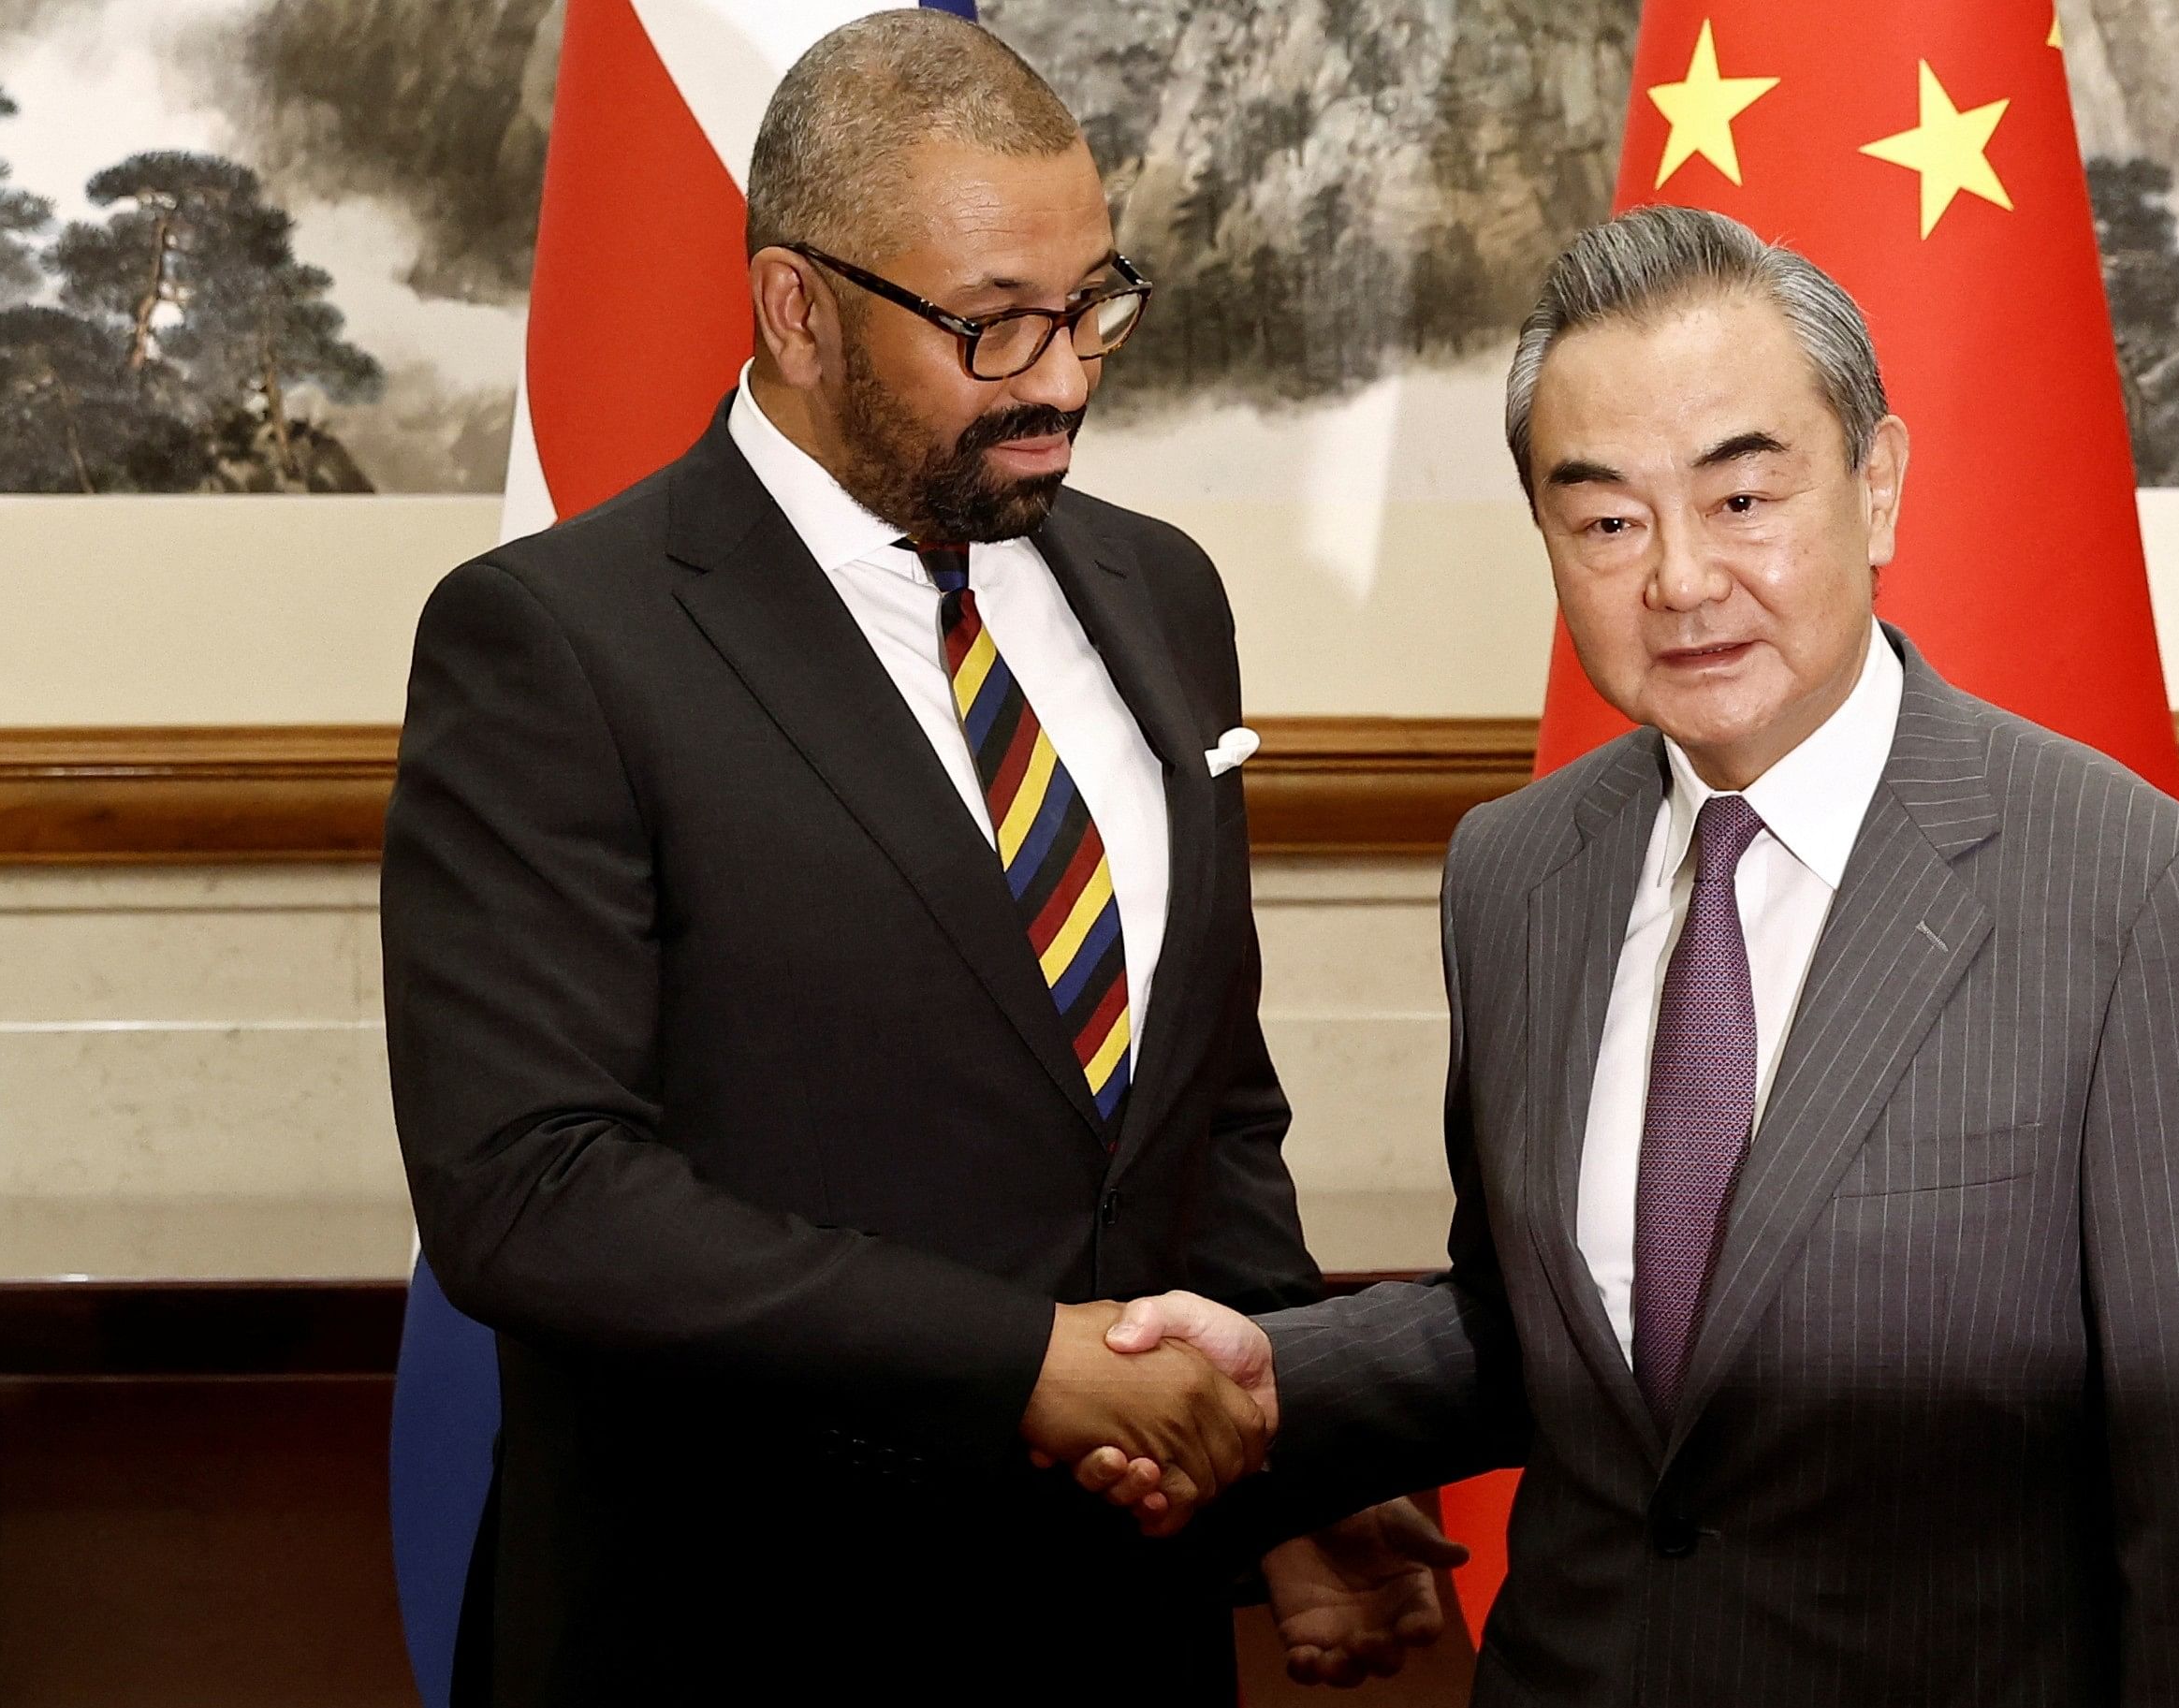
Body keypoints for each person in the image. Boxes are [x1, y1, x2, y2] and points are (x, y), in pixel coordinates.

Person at [1092, 204, 2179, 1702]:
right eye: (1609, 521)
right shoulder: (1516, 871)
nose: (1681, 579)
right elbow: (1547, 1325)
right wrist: (1266, 1385)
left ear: (1876, 485)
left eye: (1744, 498)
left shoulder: (2140, 899)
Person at [384, 13, 1446, 1702]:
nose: (1064, 375)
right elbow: (532, 1189)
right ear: (797, 307)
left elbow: (1200, 1099)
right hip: (737, 1629)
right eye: (993, 324)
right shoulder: (559, 642)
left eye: (1094, 301)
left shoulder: (1162, 593)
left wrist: (1285, 1450)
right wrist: (1024, 1364)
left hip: (1122, 1628)